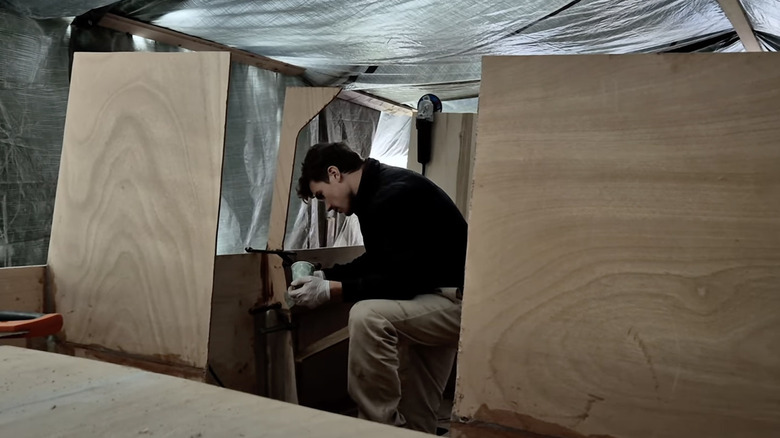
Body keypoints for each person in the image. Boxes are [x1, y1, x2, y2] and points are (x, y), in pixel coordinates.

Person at [288, 141, 467, 433]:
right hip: (437, 299)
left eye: (322, 196)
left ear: (334, 173)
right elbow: (380, 260)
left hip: (453, 304)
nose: (330, 207)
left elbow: (401, 282)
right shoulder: (380, 188)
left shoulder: (392, 195)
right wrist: (324, 276)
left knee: (368, 316)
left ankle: (376, 429)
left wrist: (332, 290)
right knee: (419, 418)